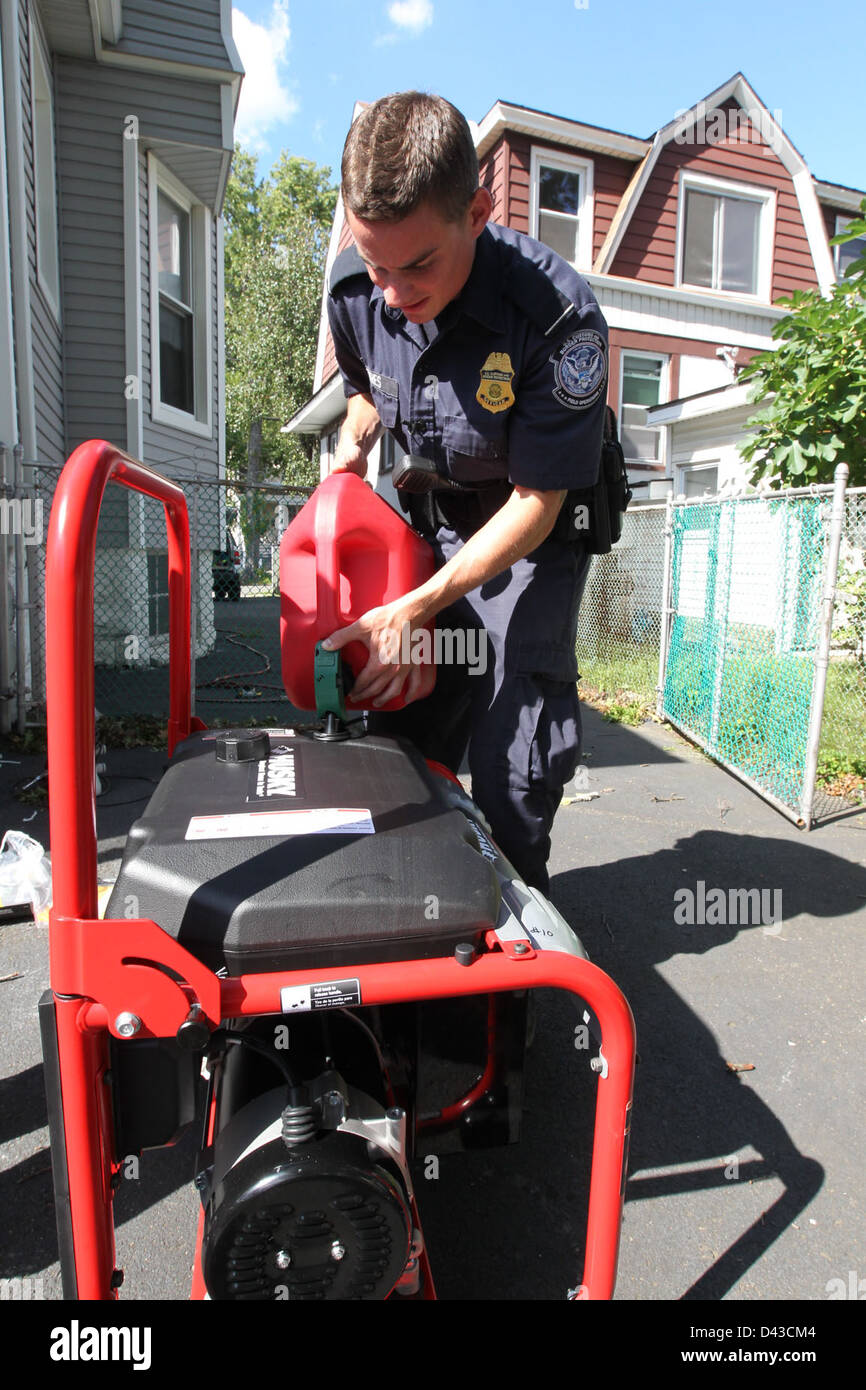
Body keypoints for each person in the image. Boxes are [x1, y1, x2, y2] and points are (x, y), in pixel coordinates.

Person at [321, 91, 608, 895]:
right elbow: (366, 390)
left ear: (478, 211)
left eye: (416, 267)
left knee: (512, 758)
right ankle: (411, 915)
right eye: (375, 263)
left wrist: (417, 606)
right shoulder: (356, 292)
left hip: (531, 536)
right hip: (434, 518)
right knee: (398, 725)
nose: (392, 293)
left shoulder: (556, 319)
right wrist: (351, 449)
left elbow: (537, 503)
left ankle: (506, 987)